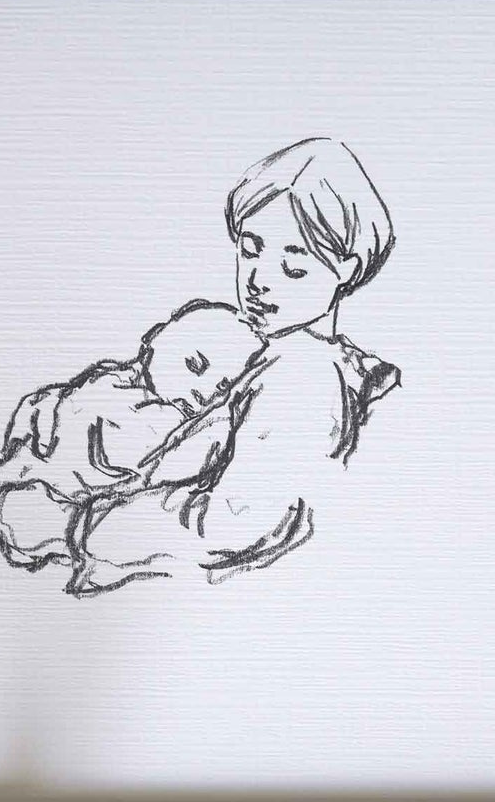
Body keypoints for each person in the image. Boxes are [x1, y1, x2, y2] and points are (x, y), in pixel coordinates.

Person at [64, 136, 400, 595]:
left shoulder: (302, 373)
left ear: (346, 268)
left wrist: (102, 523)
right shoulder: (250, 349)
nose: (259, 280)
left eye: (293, 266)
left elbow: (231, 522)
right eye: (250, 250)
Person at [0, 300, 260, 569]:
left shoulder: (174, 423)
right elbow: (48, 405)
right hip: (36, 470)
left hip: (63, 498)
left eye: (222, 387)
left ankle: (31, 522)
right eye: (194, 365)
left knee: (32, 515)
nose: (203, 392)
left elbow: (157, 466)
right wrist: (44, 412)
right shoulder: (117, 377)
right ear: (155, 339)